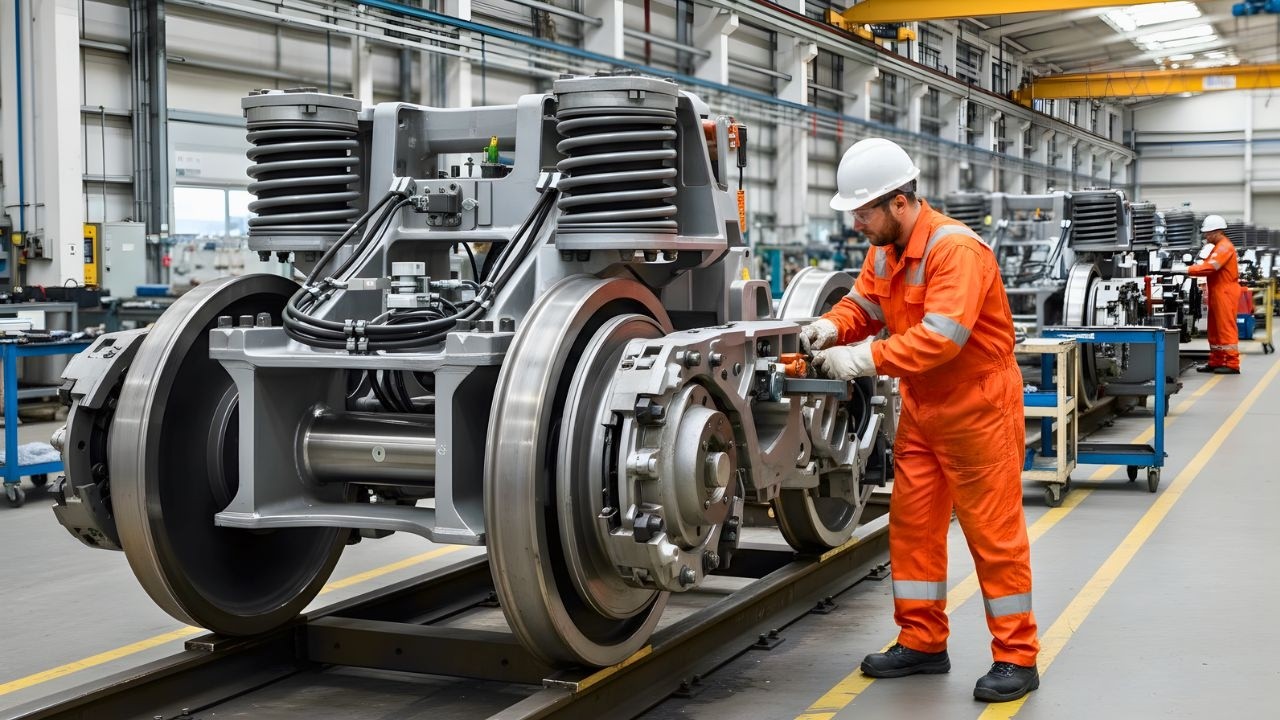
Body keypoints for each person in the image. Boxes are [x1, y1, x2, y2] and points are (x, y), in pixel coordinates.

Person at [799, 138, 1040, 703]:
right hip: (923, 411)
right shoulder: (885, 251)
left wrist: (862, 358)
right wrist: (831, 327)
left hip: (977, 407)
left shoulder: (956, 250)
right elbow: (864, 305)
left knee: (994, 535)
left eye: (863, 211)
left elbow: (941, 339)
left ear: (899, 203)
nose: (856, 223)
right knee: (913, 529)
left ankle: (1016, 656)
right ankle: (923, 641)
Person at [1186, 215, 1241, 374]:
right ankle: (1216, 360)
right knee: (1215, 328)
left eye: (1207, 232)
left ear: (1217, 231)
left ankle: (1232, 363)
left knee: (1225, 327)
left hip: (1225, 292)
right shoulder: (1218, 247)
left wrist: (1188, 270)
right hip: (1218, 291)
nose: (1205, 235)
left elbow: (1210, 267)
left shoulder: (1224, 247)